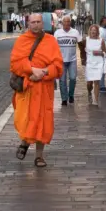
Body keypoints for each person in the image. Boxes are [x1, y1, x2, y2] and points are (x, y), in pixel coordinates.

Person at [11, 13, 63, 168]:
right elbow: (15, 64)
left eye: (38, 22)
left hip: (44, 89)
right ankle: (25, 142)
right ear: (28, 24)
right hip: (27, 89)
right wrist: (32, 70)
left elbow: (58, 66)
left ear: (43, 23)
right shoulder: (22, 41)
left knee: (43, 121)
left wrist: (44, 72)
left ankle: (39, 156)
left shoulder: (50, 41)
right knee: (26, 119)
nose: (35, 25)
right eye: (32, 22)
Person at [54, 15, 82, 106]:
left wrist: (83, 56)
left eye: (68, 21)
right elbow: (53, 46)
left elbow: (81, 44)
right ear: (62, 23)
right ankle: (64, 99)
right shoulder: (57, 33)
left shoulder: (75, 32)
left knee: (73, 78)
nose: (67, 23)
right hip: (61, 60)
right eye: (65, 22)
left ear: (70, 22)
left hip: (72, 60)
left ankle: (71, 95)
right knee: (62, 80)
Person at [84, 24, 106, 106]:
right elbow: (82, 50)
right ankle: (89, 91)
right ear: (90, 31)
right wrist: (83, 59)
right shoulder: (86, 40)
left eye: (95, 30)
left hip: (98, 63)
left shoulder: (101, 40)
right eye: (92, 30)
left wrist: (100, 53)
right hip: (90, 63)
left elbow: (104, 52)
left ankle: (95, 101)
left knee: (97, 82)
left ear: (97, 31)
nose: (93, 31)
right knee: (89, 83)